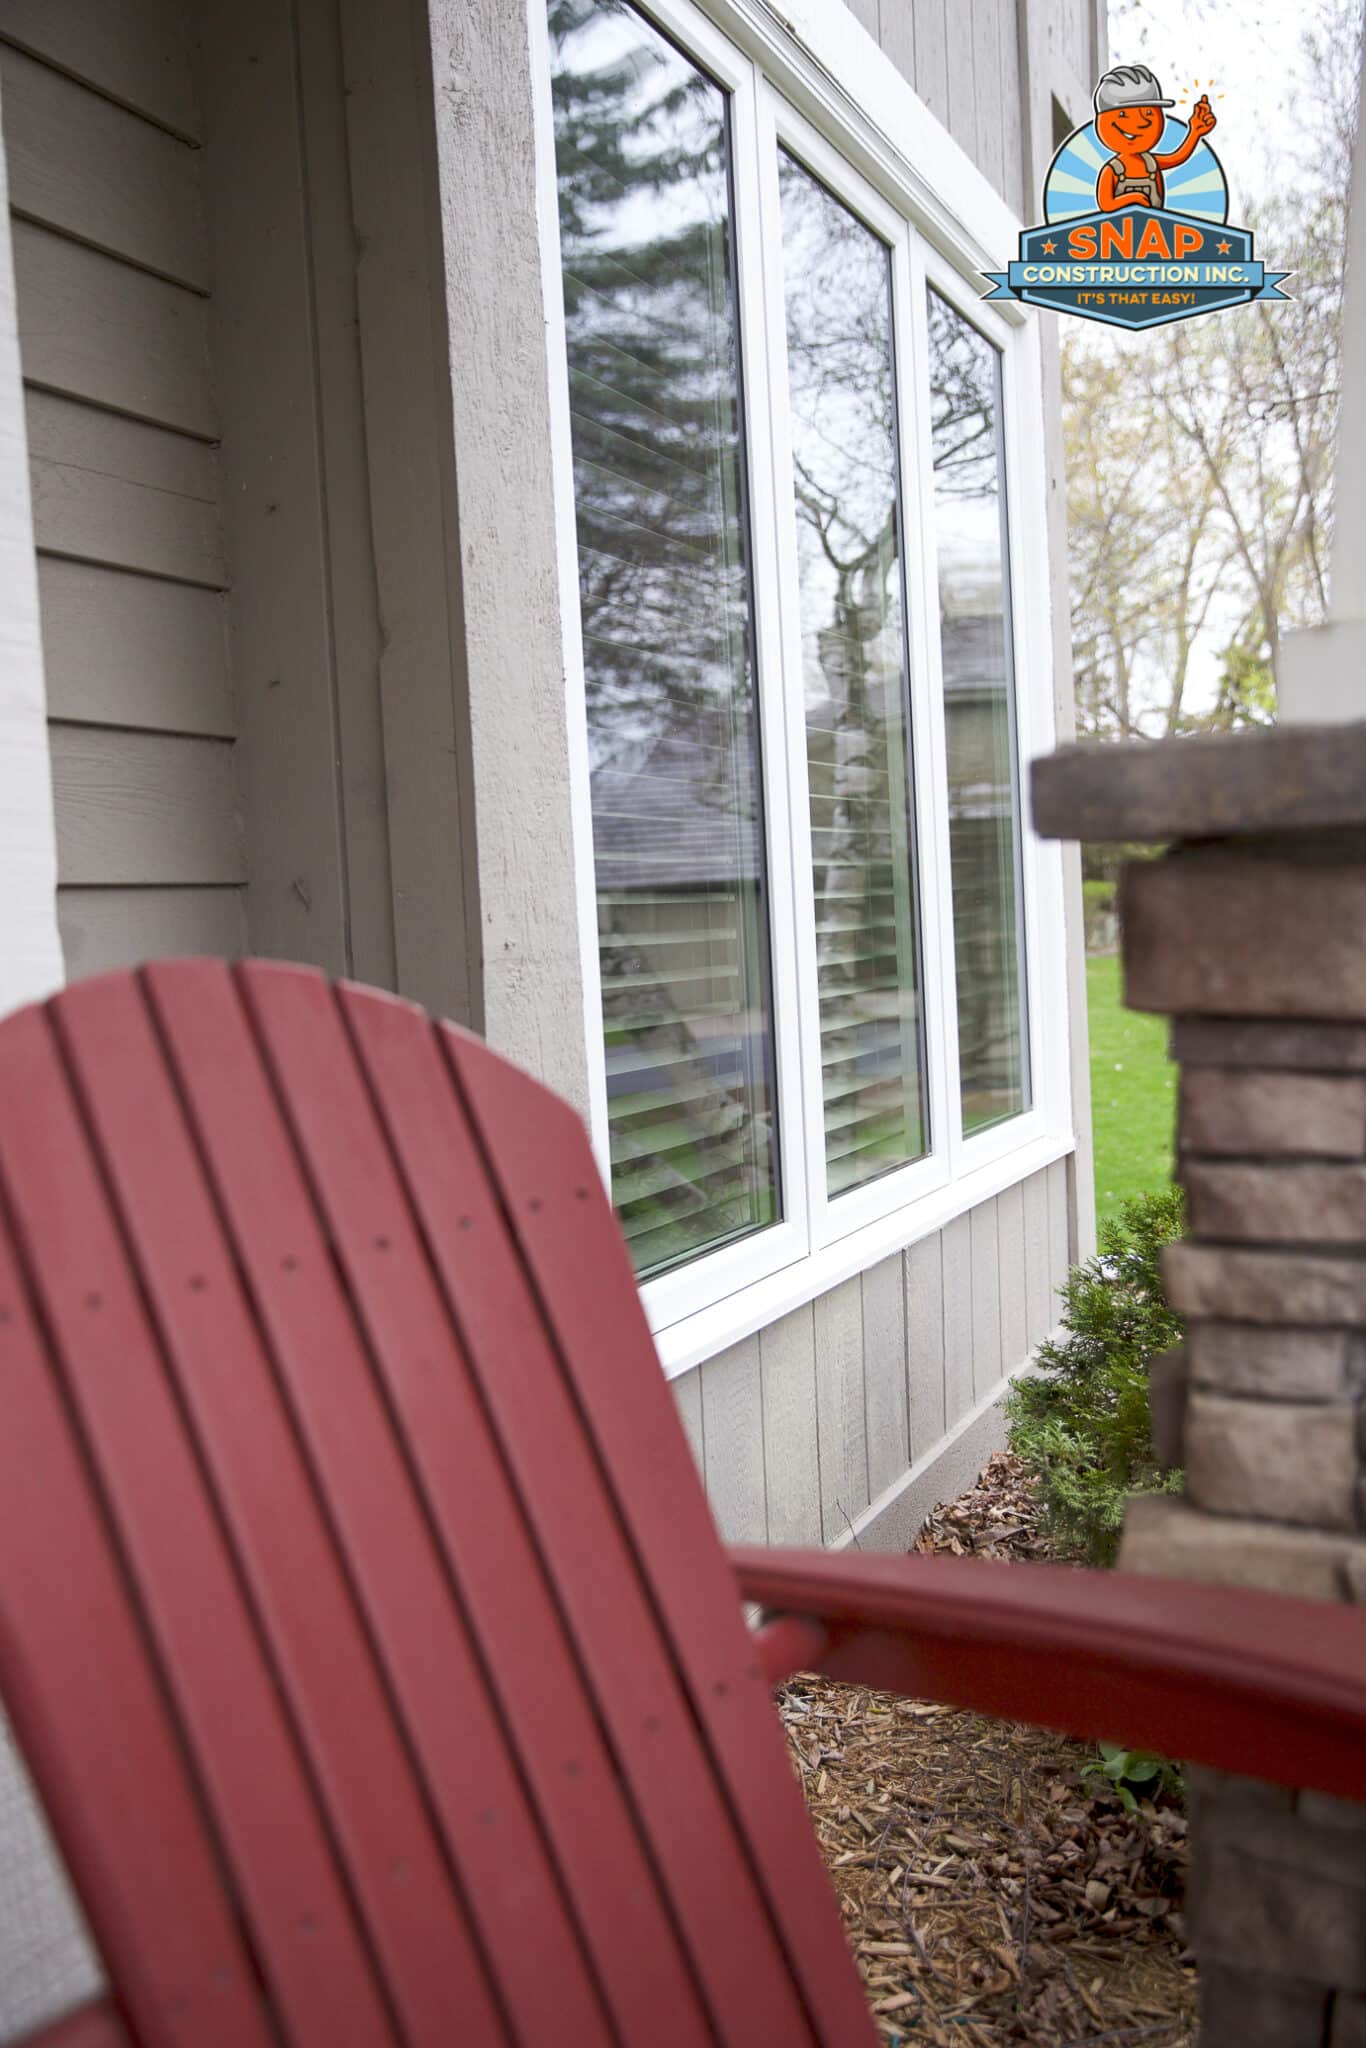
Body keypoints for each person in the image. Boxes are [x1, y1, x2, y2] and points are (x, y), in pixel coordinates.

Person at [1091, 63, 1217, 212]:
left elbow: (1178, 157)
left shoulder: (1151, 163)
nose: (1142, 122)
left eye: (1149, 113)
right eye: (1123, 115)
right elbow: (1106, 204)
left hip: (1155, 230)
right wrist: (1133, 198)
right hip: (1116, 232)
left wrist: (1195, 131)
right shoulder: (1112, 170)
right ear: (1101, 122)